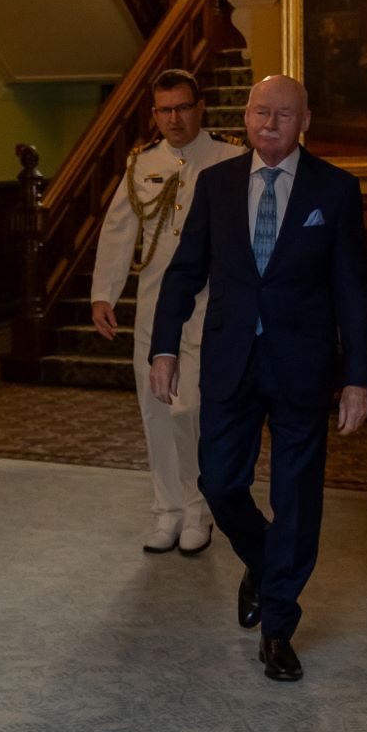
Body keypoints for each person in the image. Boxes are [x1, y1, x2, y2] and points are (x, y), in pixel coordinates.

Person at [148, 74, 367, 683]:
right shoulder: (217, 184)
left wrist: (359, 375)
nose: (268, 123)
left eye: (282, 114)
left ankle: (278, 627)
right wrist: (163, 346)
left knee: (296, 497)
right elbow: (184, 269)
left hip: (303, 366)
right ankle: (266, 560)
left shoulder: (336, 189)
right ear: (244, 118)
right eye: (258, 112)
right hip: (231, 361)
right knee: (219, 483)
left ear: (305, 121)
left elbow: (354, 290)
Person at [89, 69, 240, 556]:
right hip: (155, 308)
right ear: (154, 114)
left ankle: (199, 509)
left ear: (200, 108)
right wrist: (103, 294)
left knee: (190, 408)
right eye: (164, 110)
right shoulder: (143, 163)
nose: (174, 119)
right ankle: (166, 511)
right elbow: (118, 231)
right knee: (155, 411)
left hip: (209, 308)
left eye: (182, 108)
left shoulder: (231, 158)